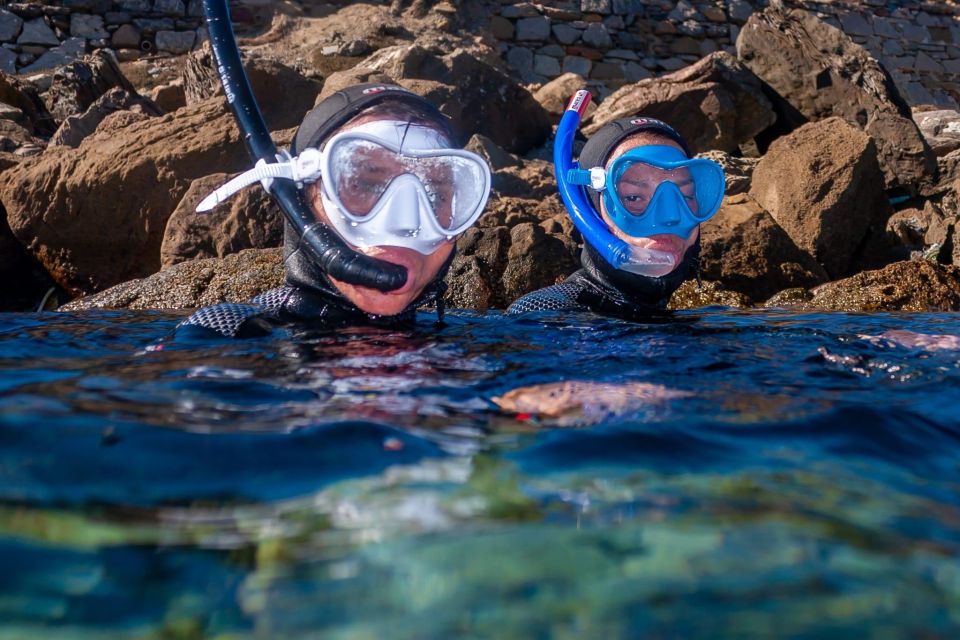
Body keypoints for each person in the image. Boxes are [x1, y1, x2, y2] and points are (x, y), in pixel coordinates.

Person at [176, 84, 492, 338]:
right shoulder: (226, 335)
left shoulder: (492, 339)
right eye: (364, 184)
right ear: (298, 201)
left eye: (435, 193)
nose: (405, 223)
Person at [508, 92, 725, 319]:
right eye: (633, 198)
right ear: (590, 210)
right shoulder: (547, 315)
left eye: (686, 195)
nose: (669, 217)